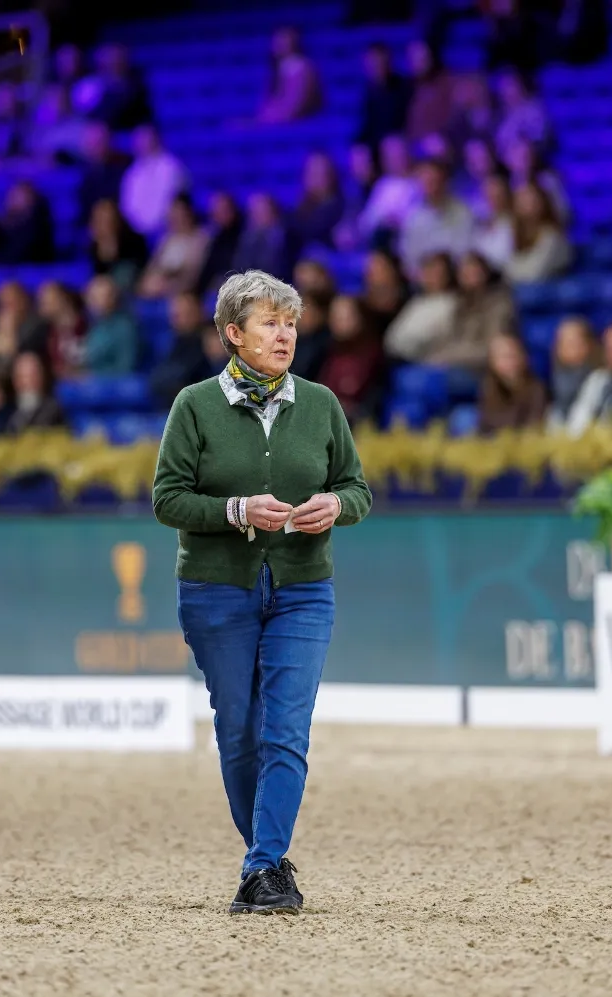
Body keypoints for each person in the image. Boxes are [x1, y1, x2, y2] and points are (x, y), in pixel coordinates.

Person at [152, 269, 372, 915]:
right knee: (241, 731)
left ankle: (261, 866)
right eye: (270, 322)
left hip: (305, 589)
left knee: (285, 731)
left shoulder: (323, 403)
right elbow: (167, 498)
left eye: (291, 323)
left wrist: (336, 503)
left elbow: (358, 487)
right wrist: (237, 509)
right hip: (216, 590)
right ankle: (269, 862)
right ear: (232, 334)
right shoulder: (193, 405)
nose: (285, 334)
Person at [398, 158, 473, 273]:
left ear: (444, 180)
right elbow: (408, 258)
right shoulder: (412, 217)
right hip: (423, 280)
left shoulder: (462, 212)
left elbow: (465, 251)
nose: (431, 185)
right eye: (426, 180)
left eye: (434, 180)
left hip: (457, 277)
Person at [319, 294, 385, 423]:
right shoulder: (328, 349)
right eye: (335, 317)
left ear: (360, 318)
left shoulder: (371, 352)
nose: (338, 322)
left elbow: (357, 393)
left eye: (345, 317)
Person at [384, 252, 457, 363]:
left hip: (428, 364)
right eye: (428, 271)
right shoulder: (416, 302)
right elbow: (392, 337)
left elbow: (436, 340)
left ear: (447, 275)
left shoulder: (451, 303)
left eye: (437, 273)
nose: (431, 277)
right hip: (397, 358)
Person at [120, 125, 188, 239]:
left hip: (168, 231)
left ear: (155, 139)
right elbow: (127, 206)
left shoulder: (172, 167)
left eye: (145, 138)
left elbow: (175, 201)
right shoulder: (132, 173)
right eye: (139, 140)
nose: (142, 144)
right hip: (138, 235)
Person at [149, 291, 214, 407]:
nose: (179, 320)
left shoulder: (211, 339)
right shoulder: (175, 341)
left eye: (186, 314)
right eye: (176, 315)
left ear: (199, 312)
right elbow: (156, 380)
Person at [139, 194, 209, 300]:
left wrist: (169, 281)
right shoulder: (167, 239)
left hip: (182, 289)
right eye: (175, 213)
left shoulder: (200, 238)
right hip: (158, 286)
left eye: (181, 213)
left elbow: (192, 273)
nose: (178, 218)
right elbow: (152, 267)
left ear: (189, 214)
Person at [478, 334, 546, 435]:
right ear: (492, 362)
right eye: (504, 357)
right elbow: (485, 426)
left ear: (523, 359)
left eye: (513, 356)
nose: (510, 363)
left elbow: (534, 425)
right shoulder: (488, 388)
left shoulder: (536, 389)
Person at [504, 180, 570, 283]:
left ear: (543, 202)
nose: (527, 204)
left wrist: (515, 273)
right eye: (522, 200)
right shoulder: (516, 234)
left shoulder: (553, 235)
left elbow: (535, 272)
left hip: (549, 292)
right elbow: (508, 271)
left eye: (531, 200)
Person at [257, 27, 322, 123]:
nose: (278, 44)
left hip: (300, 120)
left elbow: (297, 104)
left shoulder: (301, 66)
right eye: (276, 39)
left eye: (284, 39)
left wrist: (273, 118)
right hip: (281, 118)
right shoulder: (279, 67)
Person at [547, 316, 599, 431]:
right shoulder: (556, 380)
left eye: (576, 342)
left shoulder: (599, 380)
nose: (571, 347)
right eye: (565, 342)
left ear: (589, 345)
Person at [355, 42, 411, 149]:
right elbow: (368, 127)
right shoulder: (370, 92)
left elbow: (405, 123)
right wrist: (357, 145)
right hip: (377, 144)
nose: (375, 67)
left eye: (378, 62)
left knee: (392, 144)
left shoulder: (404, 88)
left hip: (400, 141)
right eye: (371, 63)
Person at [81, 275, 139, 375]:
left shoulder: (125, 327)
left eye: (100, 297)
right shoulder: (95, 324)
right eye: (91, 297)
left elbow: (125, 368)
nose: (93, 302)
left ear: (113, 298)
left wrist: (91, 376)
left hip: (113, 385)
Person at [0, 180, 56, 264]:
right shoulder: (3, 227)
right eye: (11, 195)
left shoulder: (36, 229)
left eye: (18, 196)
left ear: (32, 199)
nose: (11, 200)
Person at [8, 351, 65, 431]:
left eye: (32, 376)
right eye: (22, 377)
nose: (27, 382)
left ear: (42, 377)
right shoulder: (9, 412)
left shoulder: (53, 410)